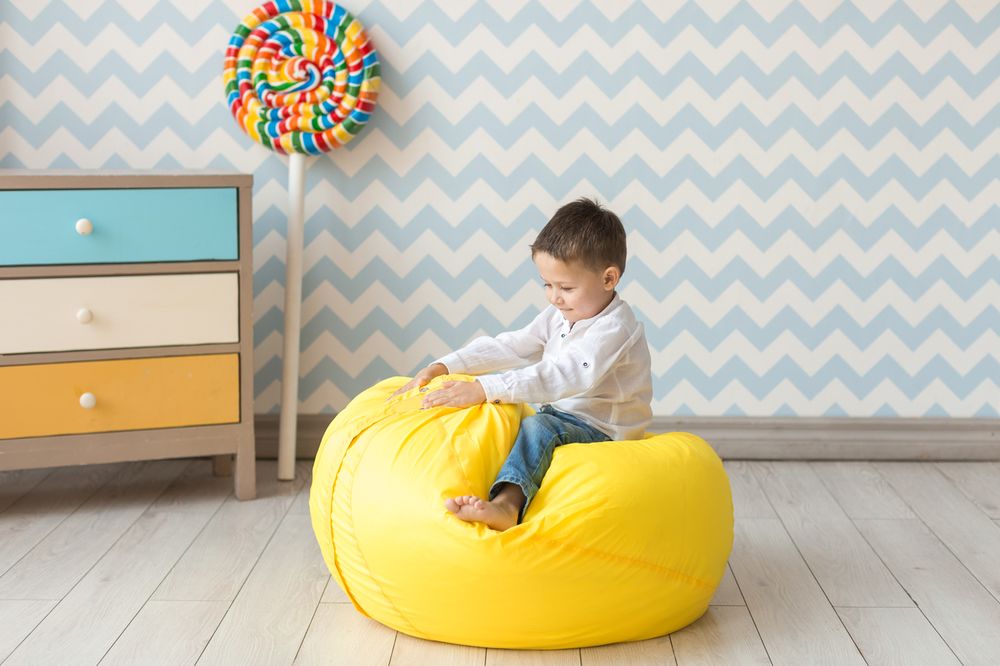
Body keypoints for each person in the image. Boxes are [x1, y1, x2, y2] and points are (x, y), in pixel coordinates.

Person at [393, 197, 653, 531]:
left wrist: (485, 389)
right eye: (547, 284)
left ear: (608, 279)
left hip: (604, 429)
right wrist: (445, 365)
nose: (554, 297)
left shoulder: (615, 329)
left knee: (538, 427)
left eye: (566, 287)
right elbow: (512, 345)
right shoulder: (562, 314)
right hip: (566, 416)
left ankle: (506, 505)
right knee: (505, 420)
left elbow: (564, 375)